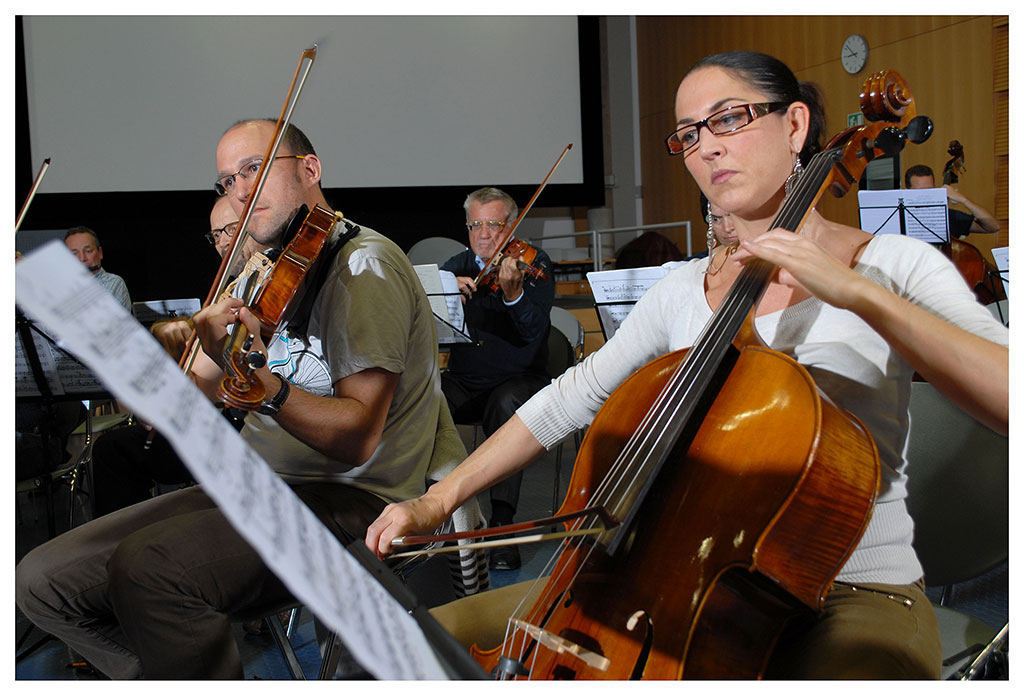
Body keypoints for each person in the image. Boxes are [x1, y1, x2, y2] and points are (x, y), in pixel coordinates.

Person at [366, 51, 1009, 679]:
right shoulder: (680, 289)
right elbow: (567, 399)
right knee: (415, 647)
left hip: (849, 592)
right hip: (668, 571)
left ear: (794, 126)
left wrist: (858, 294)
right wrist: (436, 500)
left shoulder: (893, 264)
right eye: (689, 134)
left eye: (728, 118)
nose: (707, 148)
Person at [16, 119, 459, 679]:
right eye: (227, 180)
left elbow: (355, 439)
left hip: (354, 498)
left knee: (149, 567)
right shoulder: (258, 271)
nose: (240, 190)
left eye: (255, 168)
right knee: (39, 581)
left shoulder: (362, 266)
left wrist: (262, 385)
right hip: (251, 484)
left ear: (310, 169)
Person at [89, 195, 268, 517]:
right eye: (216, 235)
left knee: (115, 450)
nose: (222, 243)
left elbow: (211, 382)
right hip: (219, 417)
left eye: (231, 229)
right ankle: (133, 538)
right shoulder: (234, 288)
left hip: (245, 425)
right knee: (115, 448)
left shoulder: (264, 289)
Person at [439, 187, 555, 571]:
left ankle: (502, 524)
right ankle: (438, 510)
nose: (484, 234)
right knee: (424, 397)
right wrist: (445, 295)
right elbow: (427, 322)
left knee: (507, 405)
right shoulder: (454, 266)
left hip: (519, 379)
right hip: (466, 381)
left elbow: (533, 332)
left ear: (512, 226)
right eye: (476, 225)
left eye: (493, 224)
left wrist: (514, 295)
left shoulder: (535, 265)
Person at [905, 163, 1000, 238]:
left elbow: (993, 227)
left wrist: (963, 200)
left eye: (930, 190)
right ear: (906, 191)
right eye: (920, 191)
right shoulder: (900, 219)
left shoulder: (950, 216)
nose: (926, 195)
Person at [64, 226, 132, 310]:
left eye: (88, 251)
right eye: (74, 253)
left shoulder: (115, 283)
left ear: (100, 253)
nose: (82, 258)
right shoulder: (60, 284)